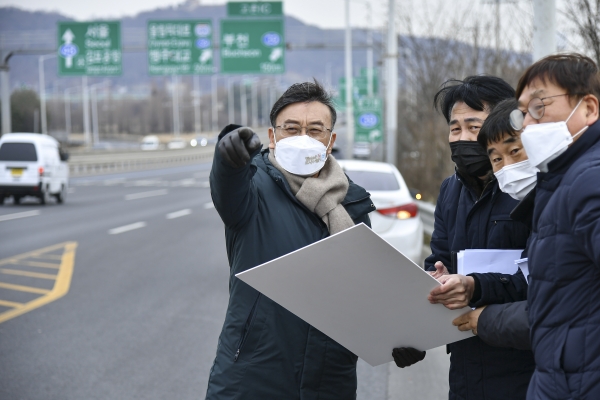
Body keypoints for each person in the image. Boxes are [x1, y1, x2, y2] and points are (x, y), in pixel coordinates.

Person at [205, 80, 374, 399]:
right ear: (272, 136)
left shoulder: (353, 206)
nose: (302, 139)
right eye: (291, 128)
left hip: (330, 379)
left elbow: (366, 291)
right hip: (253, 378)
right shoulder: (251, 188)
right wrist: (228, 157)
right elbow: (227, 188)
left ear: (330, 140)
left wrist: (399, 336)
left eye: (315, 130)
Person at [393, 76, 535, 400]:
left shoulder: (528, 187)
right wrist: (435, 284)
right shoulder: (449, 190)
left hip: (526, 366)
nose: (463, 138)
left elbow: (546, 275)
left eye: (474, 127)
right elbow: (438, 258)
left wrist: (475, 285)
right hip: (466, 368)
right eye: (455, 128)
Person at [512, 53, 600, 400]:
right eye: (523, 113)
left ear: (589, 109)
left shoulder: (589, 178)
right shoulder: (562, 179)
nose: (526, 125)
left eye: (539, 107)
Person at [452, 98, 537, 351]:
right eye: (497, 159)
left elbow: (563, 309)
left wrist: (487, 318)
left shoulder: (571, 204)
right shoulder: (451, 190)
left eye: (514, 152)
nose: (508, 167)